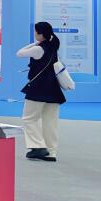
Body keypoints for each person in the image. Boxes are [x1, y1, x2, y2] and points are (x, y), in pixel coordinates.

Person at [17, 21, 65, 163]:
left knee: (29, 118)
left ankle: (38, 147)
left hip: (38, 89)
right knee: (51, 122)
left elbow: (19, 53)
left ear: (41, 34)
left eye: (36, 32)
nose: (34, 34)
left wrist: (35, 43)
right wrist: (41, 41)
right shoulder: (53, 47)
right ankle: (51, 152)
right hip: (54, 89)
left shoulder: (38, 49)